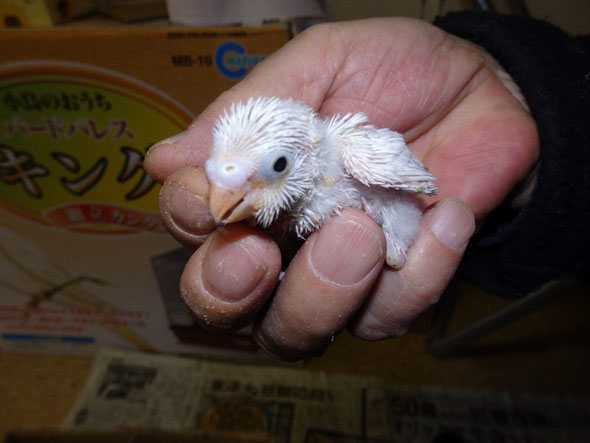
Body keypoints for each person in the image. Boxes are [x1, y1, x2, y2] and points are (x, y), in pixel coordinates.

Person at [144, 11, 589, 361]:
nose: (227, 197)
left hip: (399, 229)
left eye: (276, 165)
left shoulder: (359, 152)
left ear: (308, 152)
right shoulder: (275, 204)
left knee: (393, 255)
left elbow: (422, 196)